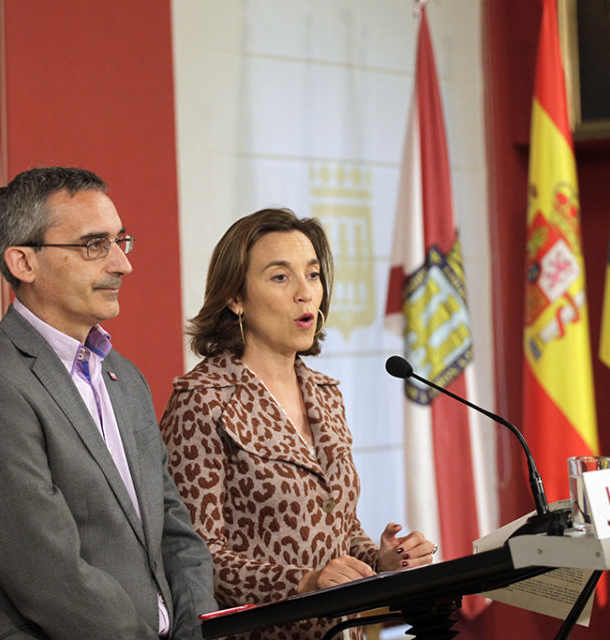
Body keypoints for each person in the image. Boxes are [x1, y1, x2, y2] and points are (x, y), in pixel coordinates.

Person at [0, 167, 216, 639]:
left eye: (120, 241)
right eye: (93, 245)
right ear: (24, 262)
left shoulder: (124, 377)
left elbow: (176, 530)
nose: (122, 264)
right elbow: (47, 575)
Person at [159, 208, 436, 640]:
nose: (306, 294)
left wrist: (382, 560)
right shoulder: (202, 400)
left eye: (312, 275)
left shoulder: (325, 394)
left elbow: (338, 529)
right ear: (235, 297)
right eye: (280, 277)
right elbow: (195, 558)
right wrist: (303, 584)